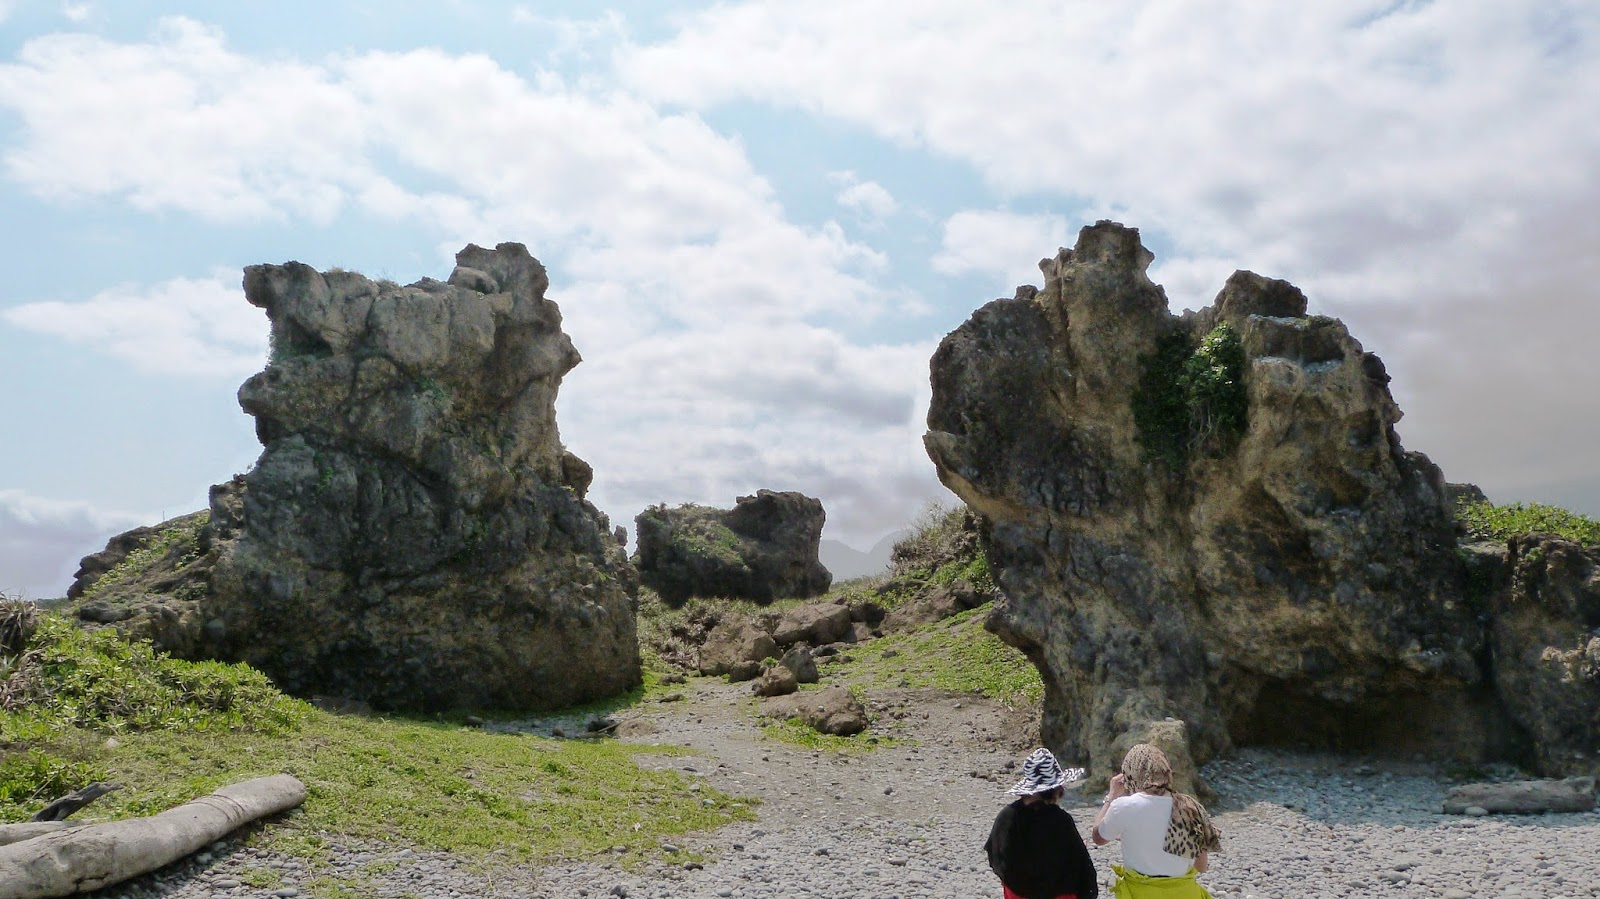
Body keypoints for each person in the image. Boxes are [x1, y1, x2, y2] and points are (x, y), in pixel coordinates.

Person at [1091, 743, 1221, 899]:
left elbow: (1098, 837)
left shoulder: (1124, 806)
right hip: (1184, 893)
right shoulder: (1189, 806)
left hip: (1140, 893)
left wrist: (1111, 797)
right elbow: (1201, 866)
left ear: (1130, 773)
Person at [985, 747, 1100, 899]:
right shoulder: (1060, 820)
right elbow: (1082, 869)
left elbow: (996, 858)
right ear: (1055, 789)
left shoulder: (1006, 817)